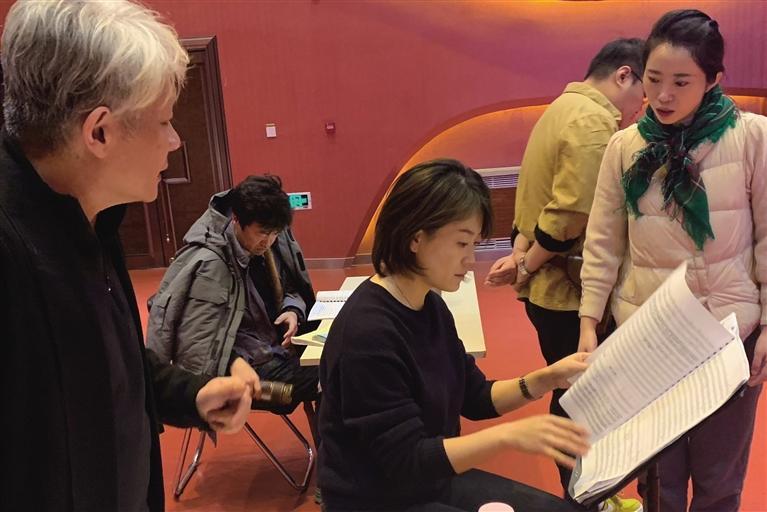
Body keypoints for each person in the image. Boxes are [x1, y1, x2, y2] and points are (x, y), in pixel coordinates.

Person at [0, 1, 258, 511]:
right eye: (164, 121)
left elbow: (101, 367)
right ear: (99, 132)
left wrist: (188, 394)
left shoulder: (91, 213)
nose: (175, 140)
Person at [318, 159, 592, 512]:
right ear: (415, 238)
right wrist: (507, 436)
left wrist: (547, 378)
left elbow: (474, 396)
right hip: (377, 498)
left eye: (474, 244)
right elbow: (406, 460)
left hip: (426, 481)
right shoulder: (368, 333)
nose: (470, 259)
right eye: (462, 243)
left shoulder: (429, 304)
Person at [579, 10, 767, 512]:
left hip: (728, 333)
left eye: (681, 82)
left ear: (713, 80)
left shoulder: (752, 137)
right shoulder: (626, 146)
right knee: (658, 479)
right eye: (654, 78)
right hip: (650, 335)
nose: (663, 95)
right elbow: (603, 241)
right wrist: (588, 322)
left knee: (719, 479)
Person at [485, 38, 646, 512]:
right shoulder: (593, 120)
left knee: (572, 392)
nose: (641, 107)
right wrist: (527, 263)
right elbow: (570, 214)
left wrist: (521, 257)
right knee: (584, 399)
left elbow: (537, 198)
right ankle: (587, 497)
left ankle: (589, 495)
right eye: (645, 90)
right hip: (568, 291)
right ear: (624, 74)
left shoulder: (561, 107)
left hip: (551, 289)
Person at [147, 175, 321, 421]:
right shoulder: (212, 266)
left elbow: (291, 287)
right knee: (335, 374)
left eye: (274, 234)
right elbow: (197, 349)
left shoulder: (270, 243)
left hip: (274, 350)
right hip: (248, 376)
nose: (268, 241)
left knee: (342, 355)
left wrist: (292, 310)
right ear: (236, 220)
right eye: (262, 233)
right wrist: (235, 366)